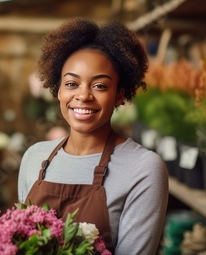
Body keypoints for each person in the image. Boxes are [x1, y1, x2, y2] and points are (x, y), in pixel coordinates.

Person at [17, 17, 169, 254]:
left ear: (119, 95)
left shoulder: (143, 168)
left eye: (99, 86)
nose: (83, 95)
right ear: (58, 91)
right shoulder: (34, 157)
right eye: (71, 84)